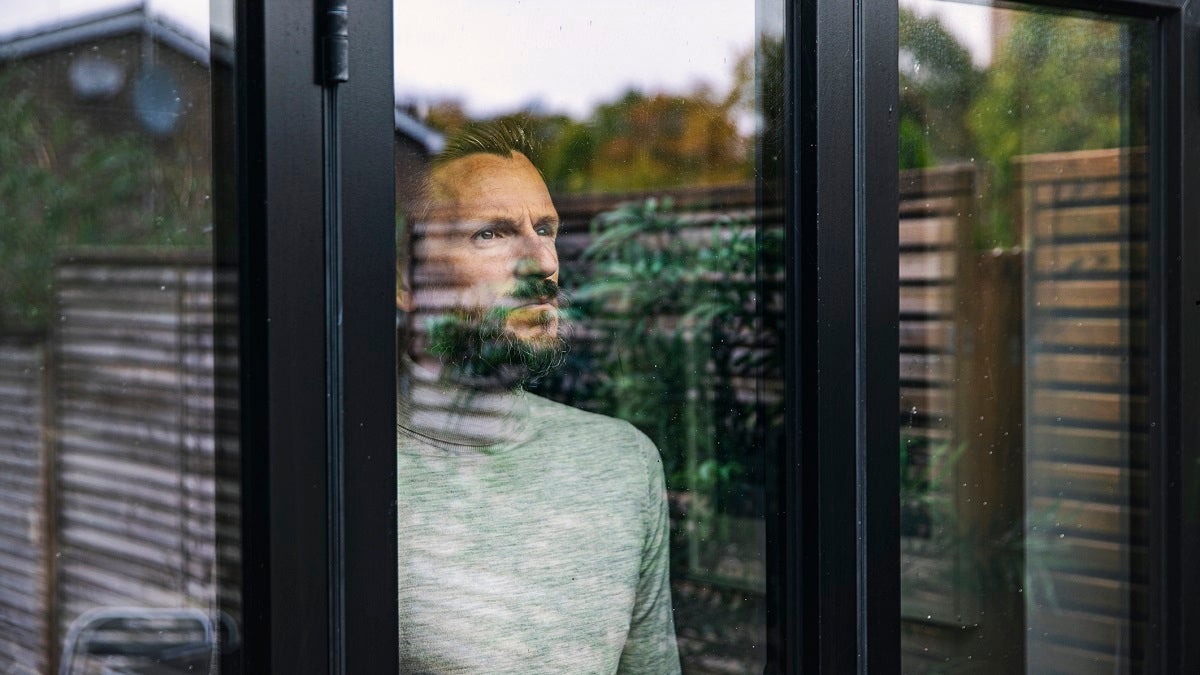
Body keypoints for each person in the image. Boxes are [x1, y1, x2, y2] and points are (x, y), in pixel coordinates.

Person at [395, 121, 681, 674]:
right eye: (491, 234)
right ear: (406, 281)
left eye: (545, 228)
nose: (543, 263)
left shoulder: (622, 463)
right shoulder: (339, 472)